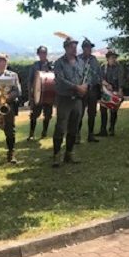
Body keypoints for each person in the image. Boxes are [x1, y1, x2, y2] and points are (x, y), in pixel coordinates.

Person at [52, 37, 86, 167]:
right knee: (60, 128)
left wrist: (85, 87)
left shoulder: (81, 62)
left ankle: (69, 154)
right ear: (66, 48)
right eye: (72, 46)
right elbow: (60, 80)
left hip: (77, 99)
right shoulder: (59, 63)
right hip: (64, 99)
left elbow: (85, 77)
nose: (74, 49)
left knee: (74, 128)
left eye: (75, 46)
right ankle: (56, 155)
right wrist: (77, 87)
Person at [77, 38, 102, 143]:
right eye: (88, 47)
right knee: (79, 113)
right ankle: (77, 135)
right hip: (81, 90)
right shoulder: (77, 59)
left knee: (92, 113)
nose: (90, 49)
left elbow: (98, 73)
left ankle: (90, 135)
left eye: (90, 48)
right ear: (83, 48)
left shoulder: (94, 59)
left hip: (92, 89)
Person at [28, 46, 54, 139]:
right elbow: (30, 81)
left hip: (48, 94)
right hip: (37, 94)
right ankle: (31, 134)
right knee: (34, 115)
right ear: (38, 54)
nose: (43, 55)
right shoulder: (34, 65)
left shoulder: (51, 65)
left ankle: (44, 132)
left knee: (48, 115)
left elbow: (54, 77)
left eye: (44, 53)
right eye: (41, 53)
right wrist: (30, 95)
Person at [98, 49, 124, 136]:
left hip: (115, 91)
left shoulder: (119, 67)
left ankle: (112, 128)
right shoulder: (103, 67)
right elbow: (100, 78)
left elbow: (120, 80)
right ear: (107, 58)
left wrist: (120, 91)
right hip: (105, 92)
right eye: (111, 57)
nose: (113, 59)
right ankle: (103, 130)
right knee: (103, 110)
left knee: (113, 110)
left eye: (114, 57)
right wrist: (106, 84)